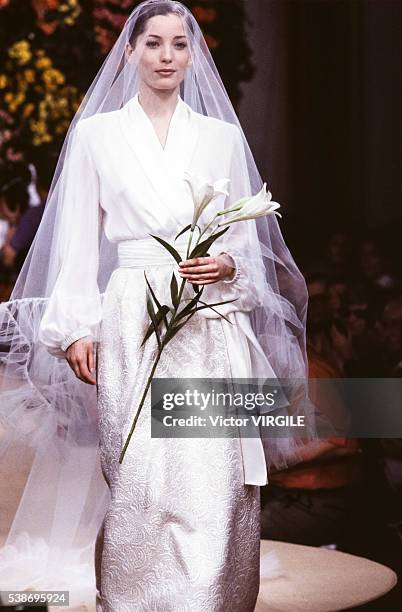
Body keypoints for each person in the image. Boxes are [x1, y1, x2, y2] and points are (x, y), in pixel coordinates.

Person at [0, 2, 319, 610]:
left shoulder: (222, 138)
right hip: (130, 320)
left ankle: (211, 599)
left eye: (178, 44)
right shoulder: (96, 135)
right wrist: (73, 330)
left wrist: (227, 266)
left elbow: (243, 241)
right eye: (153, 44)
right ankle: (131, 599)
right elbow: (76, 240)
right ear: (130, 51)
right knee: (138, 472)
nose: (166, 56)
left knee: (213, 475)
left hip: (209, 320)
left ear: (193, 54)